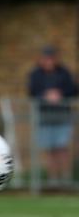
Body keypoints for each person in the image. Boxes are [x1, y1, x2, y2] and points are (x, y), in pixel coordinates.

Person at [28, 46, 77, 183]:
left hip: (63, 117)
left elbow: (73, 90)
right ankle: (52, 179)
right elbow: (32, 91)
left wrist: (60, 94)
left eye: (51, 58)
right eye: (46, 58)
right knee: (49, 150)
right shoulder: (36, 74)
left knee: (62, 148)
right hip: (44, 118)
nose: (49, 61)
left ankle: (66, 179)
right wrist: (45, 96)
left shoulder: (64, 73)